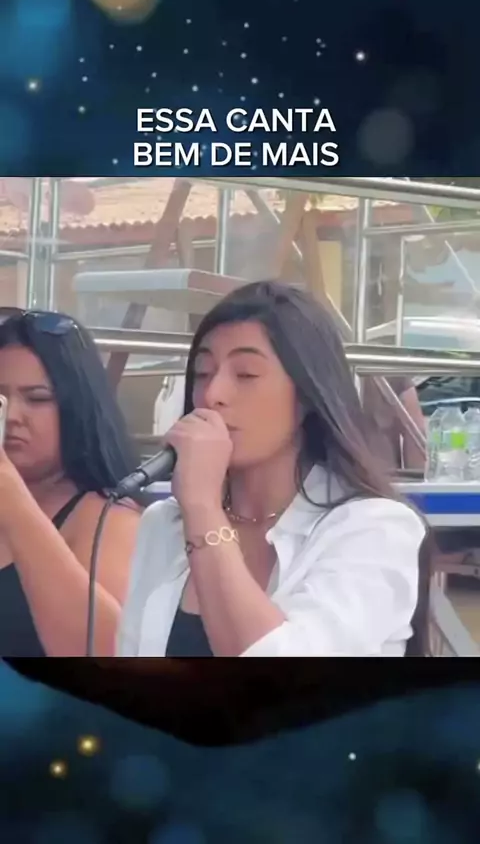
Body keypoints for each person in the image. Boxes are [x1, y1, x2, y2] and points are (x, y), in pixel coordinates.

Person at [118, 281, 429, 658]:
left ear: (308, 394)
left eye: (246, 375)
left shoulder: (373, 529)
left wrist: (203, 510)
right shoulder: (165, 524)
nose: (213, 394)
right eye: (202, 373)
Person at [0, 308, 141, 657]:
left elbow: (109, 649)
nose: (12, 416)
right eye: (0, 400)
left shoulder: (110, 520)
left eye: (37, 399)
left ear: (76, 407)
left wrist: (11, 496)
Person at [362, 376, 426, 472]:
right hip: (384, 476)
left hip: (378, 473)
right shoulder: (392, 376)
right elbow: (417, 457)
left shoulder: (394, 378)